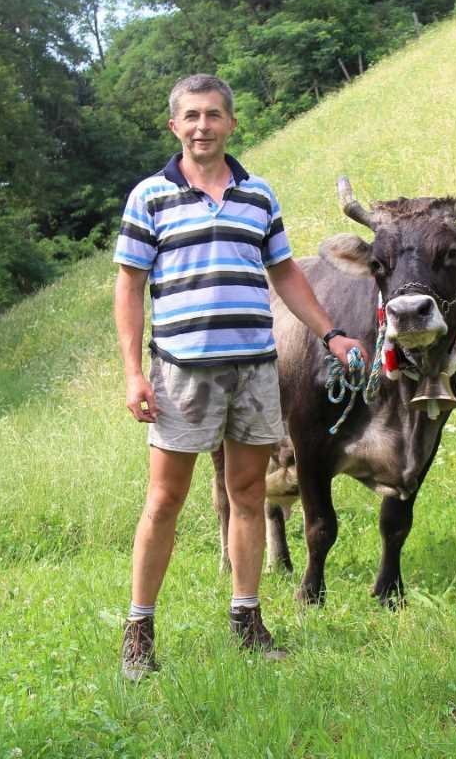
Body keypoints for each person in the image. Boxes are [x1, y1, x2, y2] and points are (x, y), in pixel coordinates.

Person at [113, 74, 364, 678]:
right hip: (181, 373)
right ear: (175, 126)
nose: (203, 126)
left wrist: (332, 333)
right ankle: (139, 631)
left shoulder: (259, 196)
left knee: (248, 496)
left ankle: (247, 620)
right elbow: (129, 286)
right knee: (165, 500)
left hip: (256, 370)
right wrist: (131, 373)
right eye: (191, 116)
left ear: (231, 123)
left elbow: (286, 275)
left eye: (214, 115)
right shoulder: (149, 196)